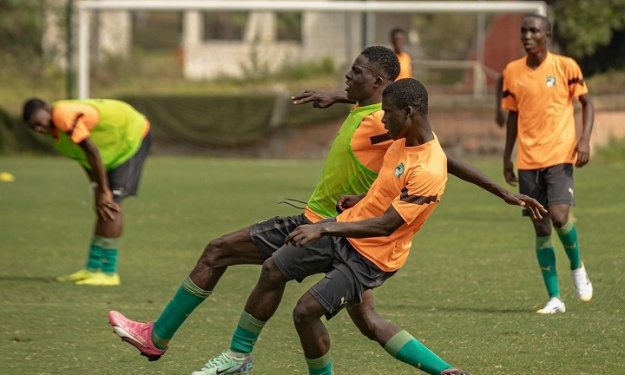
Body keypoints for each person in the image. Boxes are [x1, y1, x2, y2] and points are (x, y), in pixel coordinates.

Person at [107, 47, 544, 373]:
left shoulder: (385, 124)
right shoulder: (376, 111)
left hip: (328, 227)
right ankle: (445, 370)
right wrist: (337, 97)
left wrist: (500, 192)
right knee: (367, 320)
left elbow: (438, 158)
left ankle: (174, 341)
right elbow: (400, 131)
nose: (347, 76)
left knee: (224, 254)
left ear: (388, 97)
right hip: (348, 226)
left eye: (356, 73)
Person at [186, 78, 469, 375]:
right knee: (273, 269)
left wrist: (322, 228)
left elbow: (387, 225)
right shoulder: (402, 141)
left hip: (372, 257)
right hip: (346, 228)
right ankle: (237, 356)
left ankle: (445, 371)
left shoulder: (430, 168)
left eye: (387, 113)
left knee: (306, 313)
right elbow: (389, 189)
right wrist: (360, 199)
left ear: (409, 112)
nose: (382, 121)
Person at [501, 14, 595, 315]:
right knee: (541, 228)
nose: (527, 36)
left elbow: (587, 103)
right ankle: (555, 298)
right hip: (528, 160)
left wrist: (584, 140)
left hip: (560, 155)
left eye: (534, 31)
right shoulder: (512, 71)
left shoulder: (566, 66)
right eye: (524, 31)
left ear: (547, 35)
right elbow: (513, 115)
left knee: (558, 215)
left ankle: (577, 267)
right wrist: (507, 155)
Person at [22, 98, 153, 286]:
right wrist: (97, 189)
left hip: (133, 137)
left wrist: (105, 190)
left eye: (38, 122)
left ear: (46, 108)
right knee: (103, 203)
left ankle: (108, 273)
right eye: (34, 128)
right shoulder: (59, 139)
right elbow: (86, 161)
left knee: (112, 202)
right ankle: (92, 269)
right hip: (114, 153)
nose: (39, 129)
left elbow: (92, 152)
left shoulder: (63, 114)